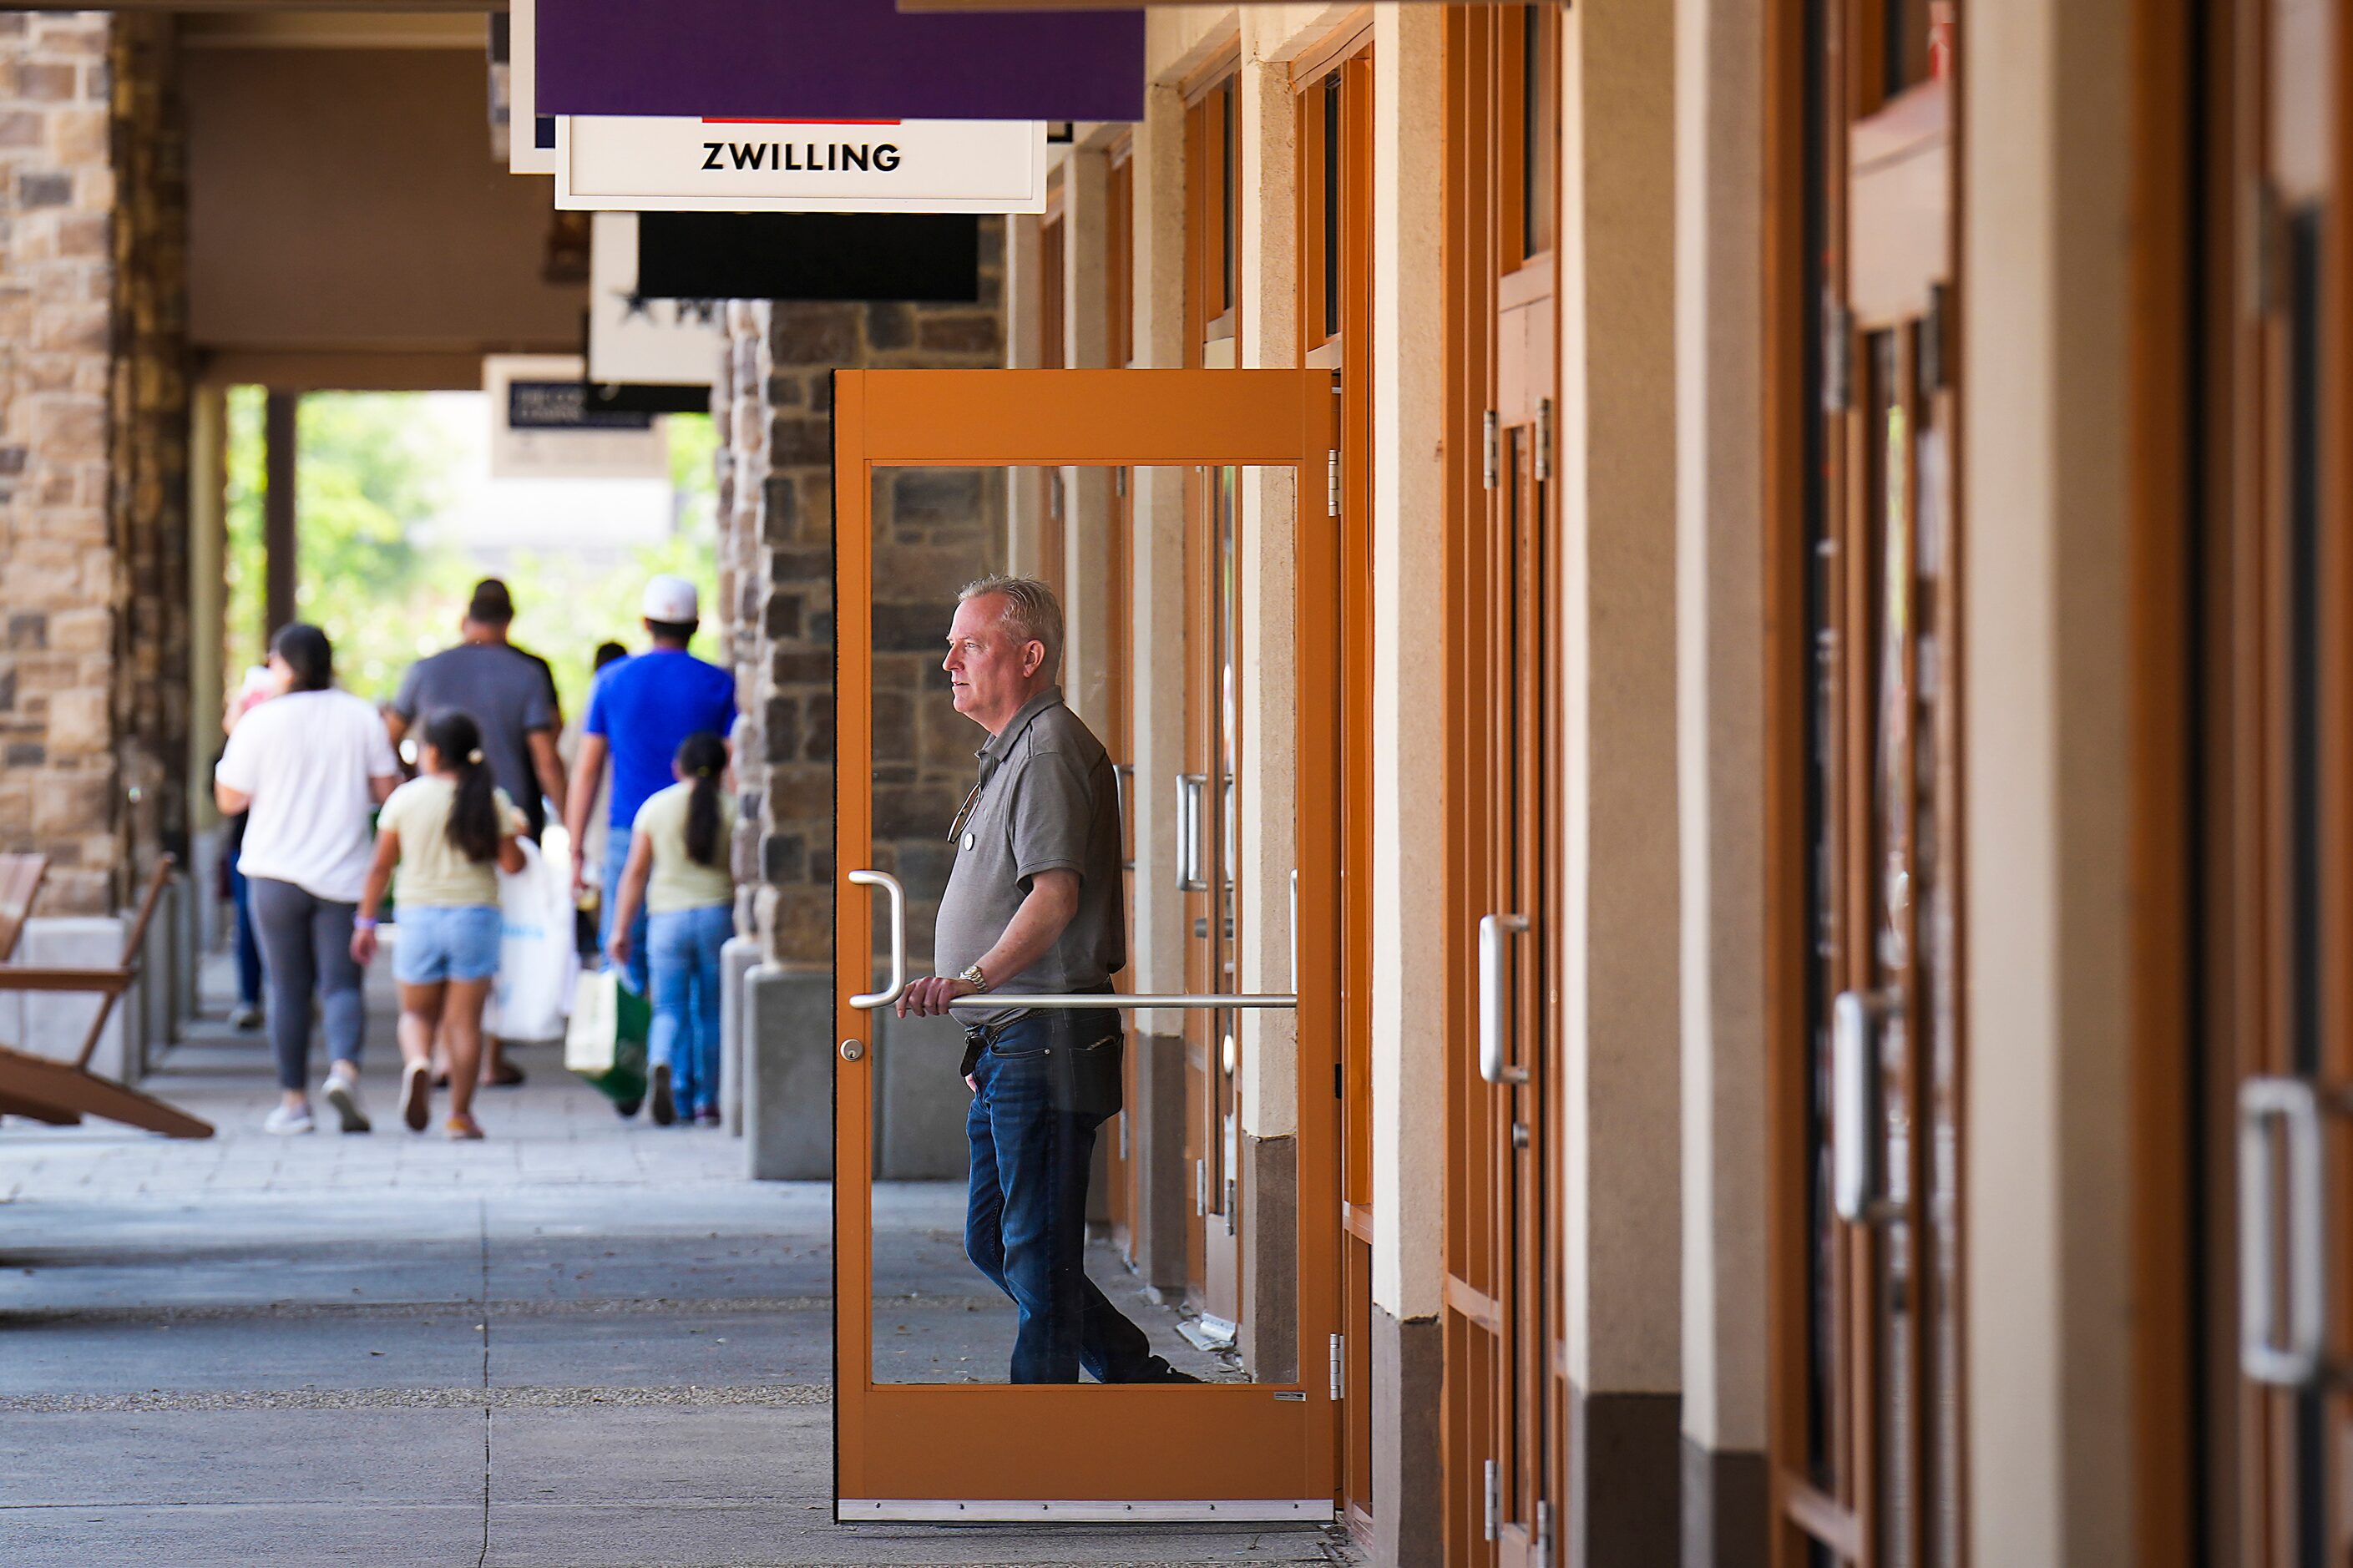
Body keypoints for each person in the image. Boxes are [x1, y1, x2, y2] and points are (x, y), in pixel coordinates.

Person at [895, 575, 1195, 1385]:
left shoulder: (1050, 749)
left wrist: (972, 979)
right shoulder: (1013, 750)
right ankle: (1141, 1385)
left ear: (1029, 658)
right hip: (1011, 1037)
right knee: (1000, 1241)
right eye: (952, 642)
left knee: (1035, 1242)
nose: (949, 658)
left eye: (973, 644)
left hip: (1045, 1036)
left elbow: (1054, 897)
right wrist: (981, 1021)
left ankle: (1045, 1426)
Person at [213, 624, 400, 1136]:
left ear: (287, 666)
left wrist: (236, 727)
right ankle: (344, 1071)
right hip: (342, 872)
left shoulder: (260, 721)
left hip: (274, 871)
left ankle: (294, 1103)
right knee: (342, 985)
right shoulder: (360, 716)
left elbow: (230, 799)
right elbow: (388, 791)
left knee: (287, 989)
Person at [387, 579, 565, 1087]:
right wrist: (569, 817)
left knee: (436, 934)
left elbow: (390, 736)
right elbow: (546, 755)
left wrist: (408, 789)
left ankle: (439, 1055)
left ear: (465, 620)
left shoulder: (425, 671)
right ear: (509, 620)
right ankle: (486, 1059)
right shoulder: (531, 672)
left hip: (430, 818)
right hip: (505, 825)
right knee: (490, 939)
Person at [351, 711, 527, 1141]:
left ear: (431, 752)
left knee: (415, 1013)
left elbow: (380, 867)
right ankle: (459, 1117)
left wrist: (366, 919)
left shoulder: (406, 799)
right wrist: (515, 836)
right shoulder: (490, 799)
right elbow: (513, 864)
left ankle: (419, 1063)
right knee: (464, 1023)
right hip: (475, 917)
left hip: (418, 918)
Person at [564, 576, 736, 998]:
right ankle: (688, 1061)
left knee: (622, 950)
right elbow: (734, 767)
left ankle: (632, 1055)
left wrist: (575, 848)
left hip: (629, 830)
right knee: (698, 965)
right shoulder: (719, 684)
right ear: (695, 626)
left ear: (645, 623)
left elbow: (587, 770)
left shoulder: (611, 680)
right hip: (703, 827)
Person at [605, 732, 736, 1128]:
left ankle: (666, 1069)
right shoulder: (731, 810)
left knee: (669, 1009)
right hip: (716, 916)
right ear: (722, 768)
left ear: (677, 767)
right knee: (711, 1011)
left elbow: (635, 874)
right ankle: (706, 1102)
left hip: (667, 921)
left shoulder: (655, 808)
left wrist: (620, 929)